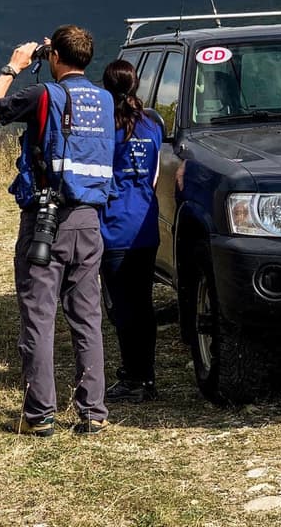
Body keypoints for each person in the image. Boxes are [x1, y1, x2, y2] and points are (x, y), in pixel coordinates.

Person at [0, 25, 115, 437]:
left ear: (54, 57)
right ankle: (93, 411)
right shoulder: (104, 99)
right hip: (90, 219)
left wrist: (13, 66)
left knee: (39, 316)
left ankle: (40, 415)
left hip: (46, 220)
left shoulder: (44, 95)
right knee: (87, 317)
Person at [99, 59, 162, 403]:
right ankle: (147, 376)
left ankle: (132, 376)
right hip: (146, 224)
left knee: (121, 308)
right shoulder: (151, 125)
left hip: (113, 226)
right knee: (143, 304)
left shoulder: (106, 128)